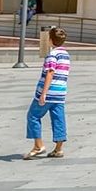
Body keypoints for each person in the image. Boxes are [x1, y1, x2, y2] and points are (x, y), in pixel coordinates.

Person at [24, 27, 70, 160]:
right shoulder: (66, 55)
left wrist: (43, 93)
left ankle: (38, 145)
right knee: (58, 118)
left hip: (49, 92)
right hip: (60, 93)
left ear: (50, 40)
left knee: (33, 115)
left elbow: (50, 72)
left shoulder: (52, 55)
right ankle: (58, 149)